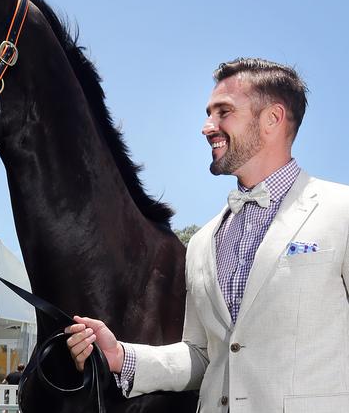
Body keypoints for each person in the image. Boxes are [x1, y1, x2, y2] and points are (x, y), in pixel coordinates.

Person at [65, 58, 349, 413]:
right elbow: (203, 355)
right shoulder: (203, 242)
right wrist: (122, 356)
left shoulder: (341, 211)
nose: (206, 126)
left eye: (223, 112)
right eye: (208, 112)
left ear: (272, 119)